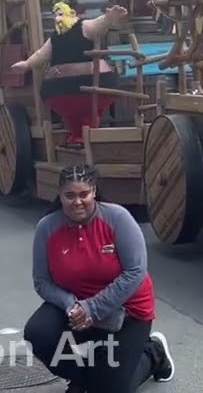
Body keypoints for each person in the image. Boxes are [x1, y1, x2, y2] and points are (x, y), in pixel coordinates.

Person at [24, 165, 175, 392]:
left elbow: (136, 271)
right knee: (38, 334)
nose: (77, 202)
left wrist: (92, 308)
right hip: (75, 309)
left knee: (113, 387)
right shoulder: (46, 228)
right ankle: (89, 377)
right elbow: (42, 282)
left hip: (128, 311)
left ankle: (154, 353)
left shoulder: (118, 218)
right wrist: (71, 305)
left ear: (94, 191)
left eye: (84, 194)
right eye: (70, 195)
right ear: (60, 195)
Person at [10, 3, 127, 146]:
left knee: (90, 113)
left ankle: (87, 135)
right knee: (74, 117)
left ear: (71, 14)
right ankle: (78, 136)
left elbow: (98, 24)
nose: (57, 19)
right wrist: (27, 64)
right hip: (62, 92)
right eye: (55, 16)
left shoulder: (84, 27)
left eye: (60, 14)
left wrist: (109, 18)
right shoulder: (55, 37)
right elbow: (41, 54)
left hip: (88, 87)